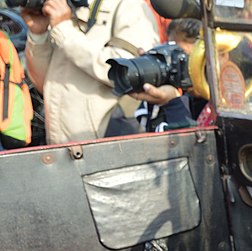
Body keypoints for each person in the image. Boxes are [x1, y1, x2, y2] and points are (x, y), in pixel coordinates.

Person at [21, 0, 160, 144]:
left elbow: (131, 73)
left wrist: (65, 31)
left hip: (111, 145)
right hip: (64, 147)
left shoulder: (129, 7)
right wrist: (39, 35)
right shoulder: (64, 12)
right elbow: (46, 84)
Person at [130, 18, 203, 133]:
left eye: (181, 59)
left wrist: (174, 102)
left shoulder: (217, 102)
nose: (174, 66)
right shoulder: (171, 86)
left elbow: (189, 145)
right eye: (170, 56)